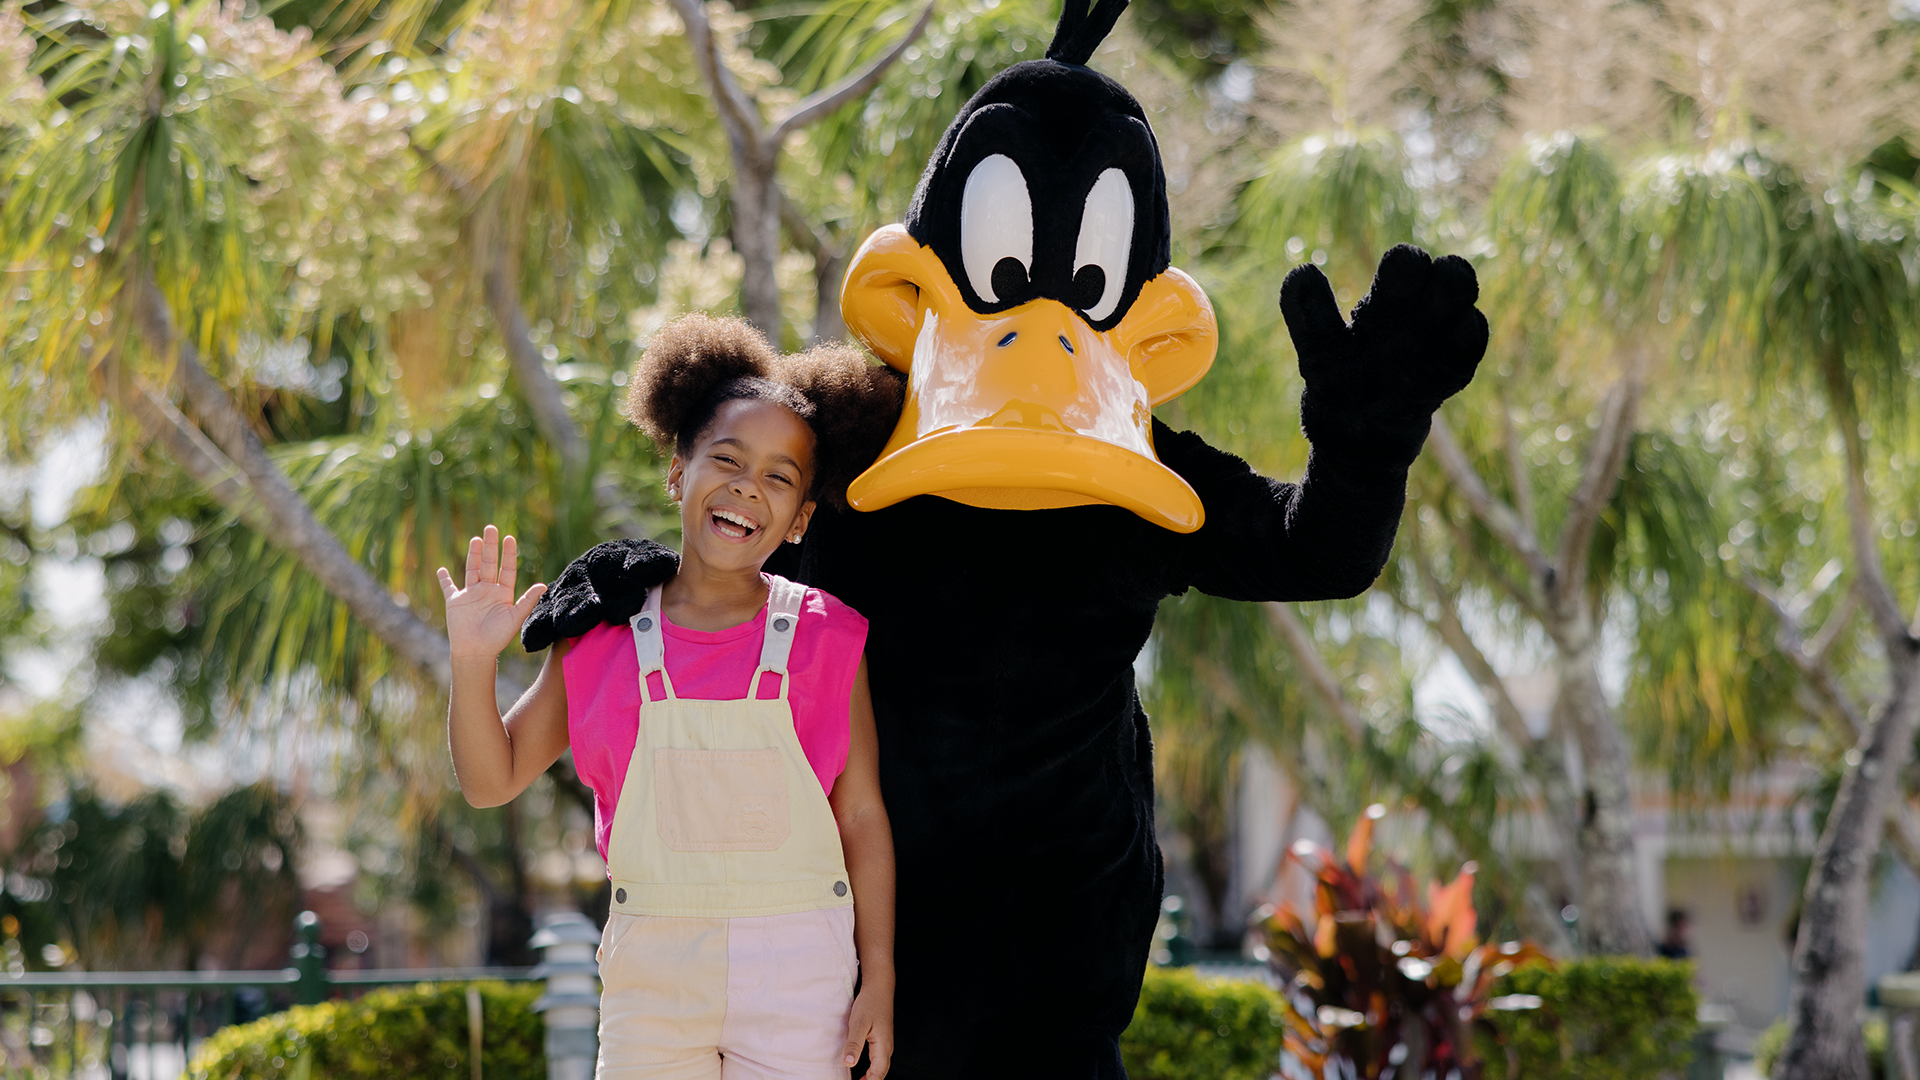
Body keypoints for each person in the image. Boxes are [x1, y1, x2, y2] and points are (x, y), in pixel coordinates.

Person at [438, 314, 901, 1079]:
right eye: (727, 459)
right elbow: (492, 783)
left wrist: (877, 976)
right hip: (650, 976)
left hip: (804, 970)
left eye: (779, 478)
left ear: (800, 521)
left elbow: (861, 815)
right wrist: (471, 661)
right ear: (679, 472)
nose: (748, 487)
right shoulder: (599, 636)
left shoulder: (828, 635)